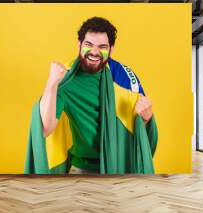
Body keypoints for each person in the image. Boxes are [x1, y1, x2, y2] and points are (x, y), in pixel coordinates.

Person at [25, 17, 158, 174]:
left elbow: (142, 136)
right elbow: (45, 128)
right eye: (88, 45)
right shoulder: (67, 79)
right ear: (79, 44)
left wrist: (148, 118)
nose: (94, 52)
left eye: (102, 47)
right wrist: (52, 83)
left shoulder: (123, 77)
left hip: (119, 167)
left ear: (111, 49)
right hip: (81, 170)